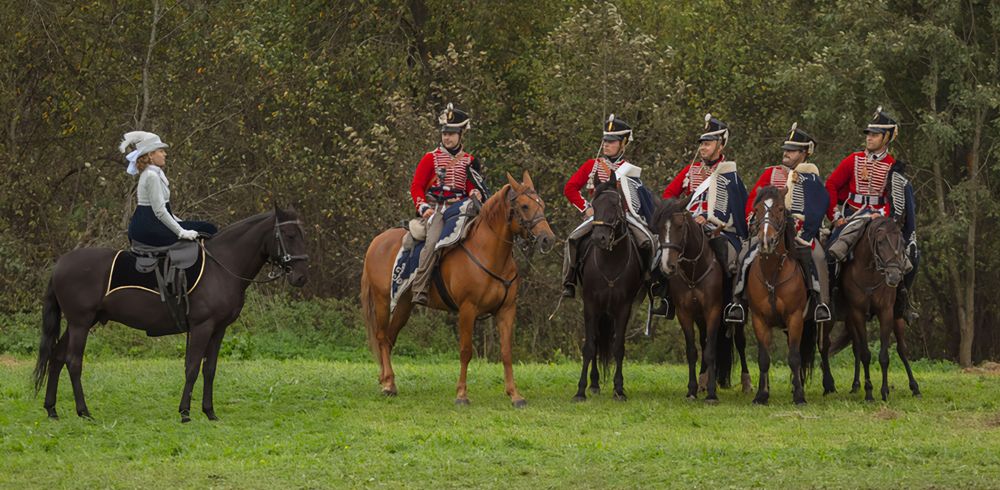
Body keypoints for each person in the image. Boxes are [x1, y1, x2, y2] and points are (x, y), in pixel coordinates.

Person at [725, 123, 831, 324]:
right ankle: (737, 302)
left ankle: (821, 304)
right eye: (786, 149)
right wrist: (752, 220)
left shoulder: (811, 177)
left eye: (792, 150)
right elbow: (753, 200)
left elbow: (817, 208)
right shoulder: (771, 174)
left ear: (804, 153)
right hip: (769, 230)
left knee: (818, 257)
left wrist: (807, 234)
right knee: (743, 255)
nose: (787, 153)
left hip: (800, 234)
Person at [658, 114, 749, 317]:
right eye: (702, 144)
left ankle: (734, 303)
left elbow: (736, 207)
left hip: (719, 229)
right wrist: (679, 213)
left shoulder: (729, 174)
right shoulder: (690, 171)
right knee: (662, 251)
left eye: (707, 144)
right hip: (688, 226)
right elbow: (668, 195)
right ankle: (666, 298)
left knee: (733, 260)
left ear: (720, 145)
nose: (702, 148)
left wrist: (710, 219)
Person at [561, 114, 657, 298]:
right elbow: (570, 188)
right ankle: (569, 280)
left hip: (624, 217)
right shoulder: (592, 165)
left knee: (648, 241)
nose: (606, 144)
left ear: (623, 143)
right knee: (572, 239)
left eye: (612, 141)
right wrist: (586, 207)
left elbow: (636, 200)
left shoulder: (630, 170)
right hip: (597, 217)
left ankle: (650, 279)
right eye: (605, 140)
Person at [409, 104, 489, 306]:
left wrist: (474, 192)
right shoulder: (431, 158)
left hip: (463, 208)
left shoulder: (470, 161)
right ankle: (419, 287)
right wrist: (423, 207)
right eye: (445, 133)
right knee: (433, 241)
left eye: (452, 133)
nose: (447, 138)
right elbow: (416, 187)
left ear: (461, 134)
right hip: (438, 210)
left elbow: (472, 186)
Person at [122, 131, 216, 247]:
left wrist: (180, 222)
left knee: (206, 227)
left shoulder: (155, 173)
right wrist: (181, 231)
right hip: (148, 228)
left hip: (153, 223)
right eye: (161, 151)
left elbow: (165, 209)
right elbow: (160, 211)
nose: (165, 154)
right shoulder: (151, 176)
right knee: (207, 228)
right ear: (151, 155)